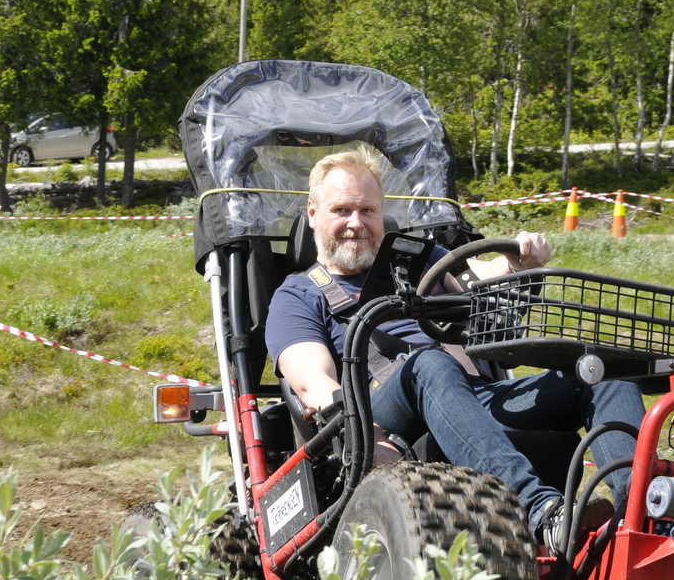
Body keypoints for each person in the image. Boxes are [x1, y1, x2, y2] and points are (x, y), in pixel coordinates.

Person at [265, 148, 643, 546]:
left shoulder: (415, 262)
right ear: (312, 213)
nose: (356, 224)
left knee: (598, 370)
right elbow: (312, 382)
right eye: (341, 210)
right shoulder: (298, 296)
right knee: (428, 364)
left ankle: (642, 513)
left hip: (471, 399)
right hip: (381, 418)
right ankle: (541, 513)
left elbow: (478, 277)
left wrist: (517, 262)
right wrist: (367, 437)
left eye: (368, 211)